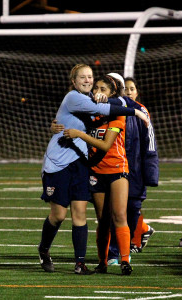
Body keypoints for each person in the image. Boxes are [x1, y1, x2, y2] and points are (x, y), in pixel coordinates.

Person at [38, 64, 149, 275]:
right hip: (59, 163)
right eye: (83, 78)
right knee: (59, 215)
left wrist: (125, 106)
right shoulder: (74, 97)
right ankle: (43, 249)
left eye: (90, 77)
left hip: (83, 163)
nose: (88, 81)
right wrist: (135, 111)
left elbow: (112, 104)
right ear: (74, 81)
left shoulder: (93, 100)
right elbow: (102, 109)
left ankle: (82, 263)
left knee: (82, 214)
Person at [107, 76, 159, 265]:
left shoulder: (141, 111)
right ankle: (114, 253)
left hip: (135, 170)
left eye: (131, 89)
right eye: (125, 88)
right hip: (114, 168)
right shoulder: (108, 109)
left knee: (131, 210)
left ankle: (125, 247)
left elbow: (150, 143)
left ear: (136, 92)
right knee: (113, 212)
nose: (128, 91)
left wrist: (151, 172)